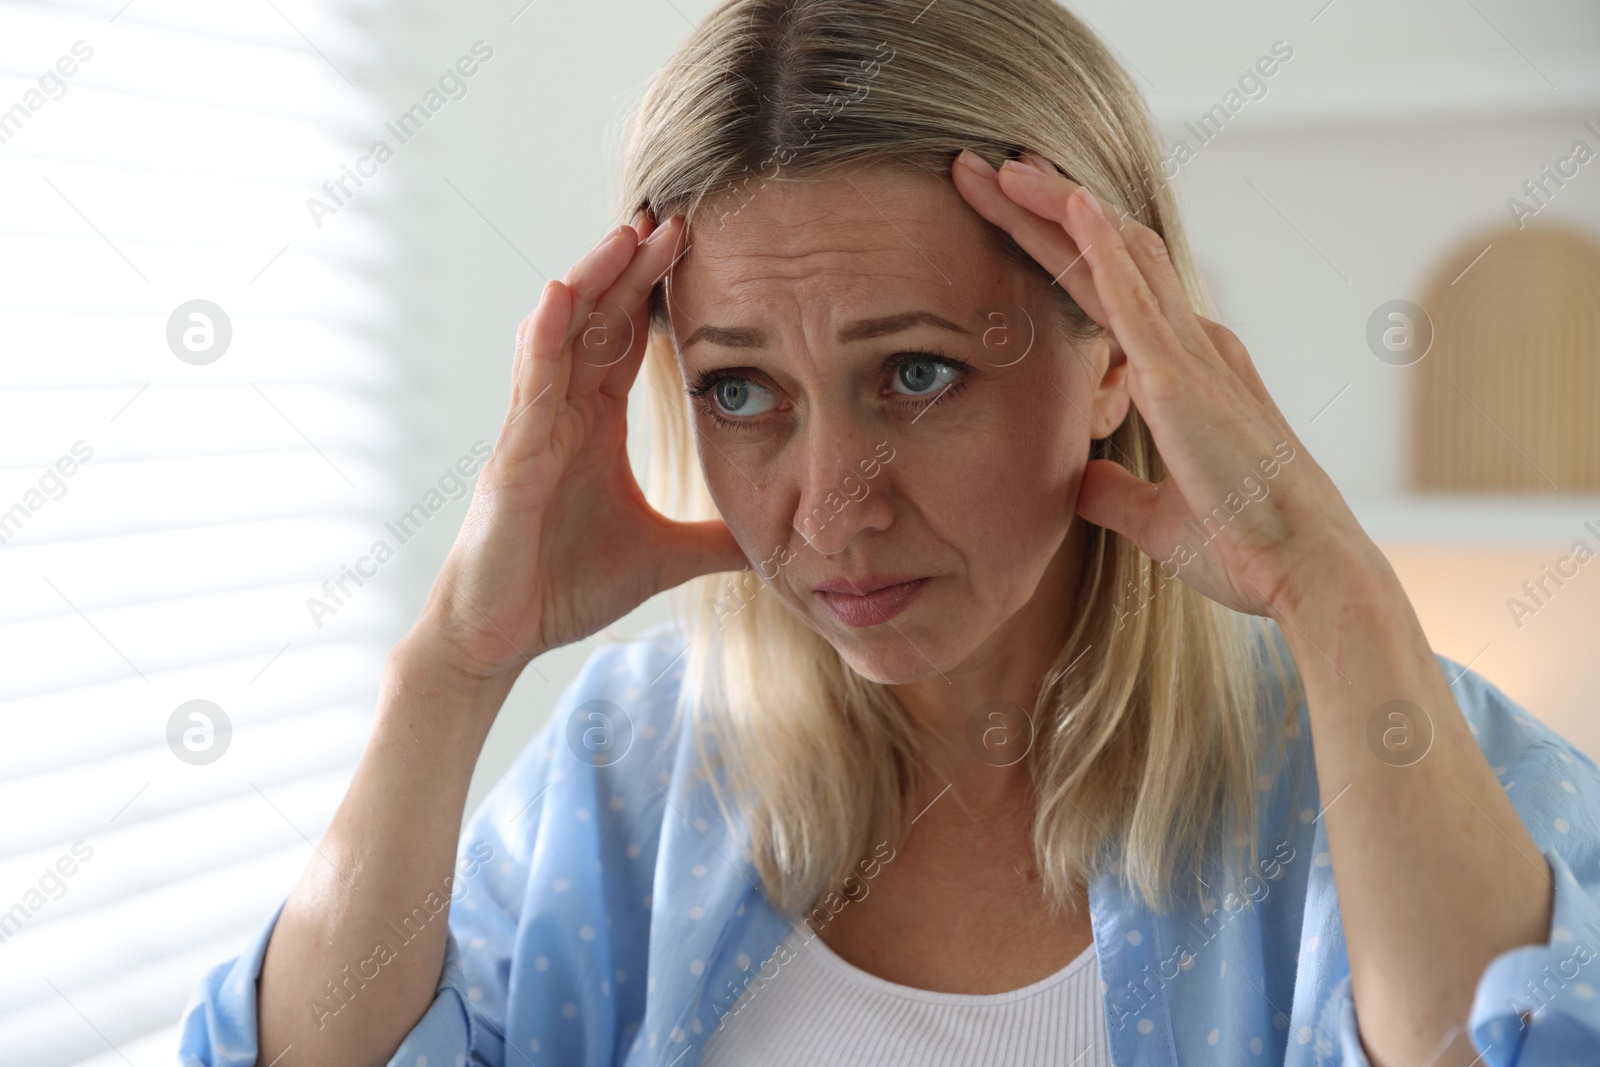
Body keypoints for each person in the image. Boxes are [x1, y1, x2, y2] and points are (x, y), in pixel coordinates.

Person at [178, 1, 1600, 1064]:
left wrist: (1335, 597)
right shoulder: (639, 769)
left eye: (916, 374)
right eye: (741, 392)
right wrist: (451, 668)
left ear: (1116, 357)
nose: (831, 505)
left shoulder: (1411, 771)